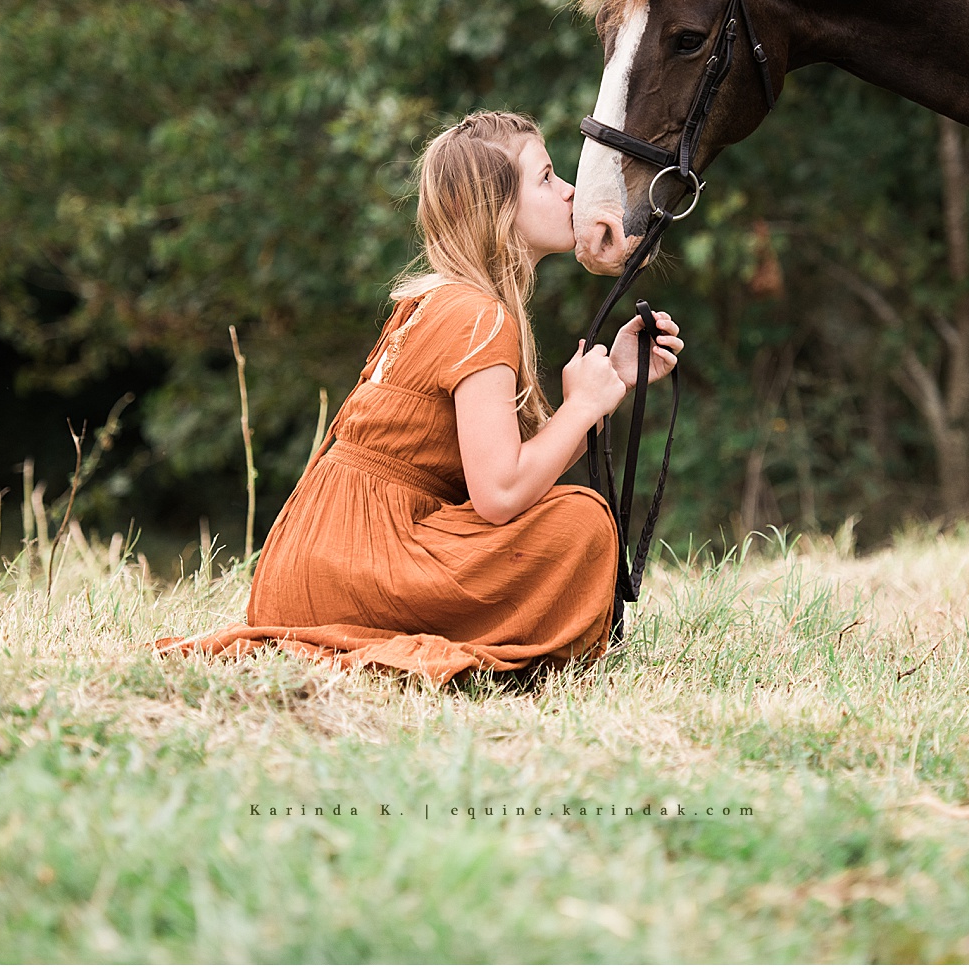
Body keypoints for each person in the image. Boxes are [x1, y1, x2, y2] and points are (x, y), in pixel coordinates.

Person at [158, 111, 681, 683]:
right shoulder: (480, 316)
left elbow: (506, 473)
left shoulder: (441, 302)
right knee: (580, 521)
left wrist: (614, 383)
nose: (570, 193)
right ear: (496, 209)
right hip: (359, 564)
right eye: (547, 178)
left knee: (568, 517)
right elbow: (501, 494)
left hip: (307, 567)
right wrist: (583, 406)